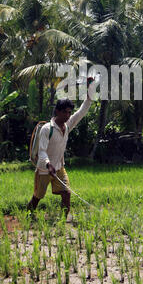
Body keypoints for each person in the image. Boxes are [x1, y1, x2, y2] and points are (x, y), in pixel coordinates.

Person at [27, 77, 94, 218]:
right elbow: (42, 151)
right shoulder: (47, 129)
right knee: (38, 196)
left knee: (66, 193)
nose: (68, 115)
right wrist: (48, 164)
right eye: (65, 112)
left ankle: (63, 221)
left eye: (69, 112)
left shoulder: (68, 125)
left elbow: (83, 111)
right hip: (44, 169)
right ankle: (29, 214)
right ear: (57, 111)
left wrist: (90, 91)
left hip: (59, 167)